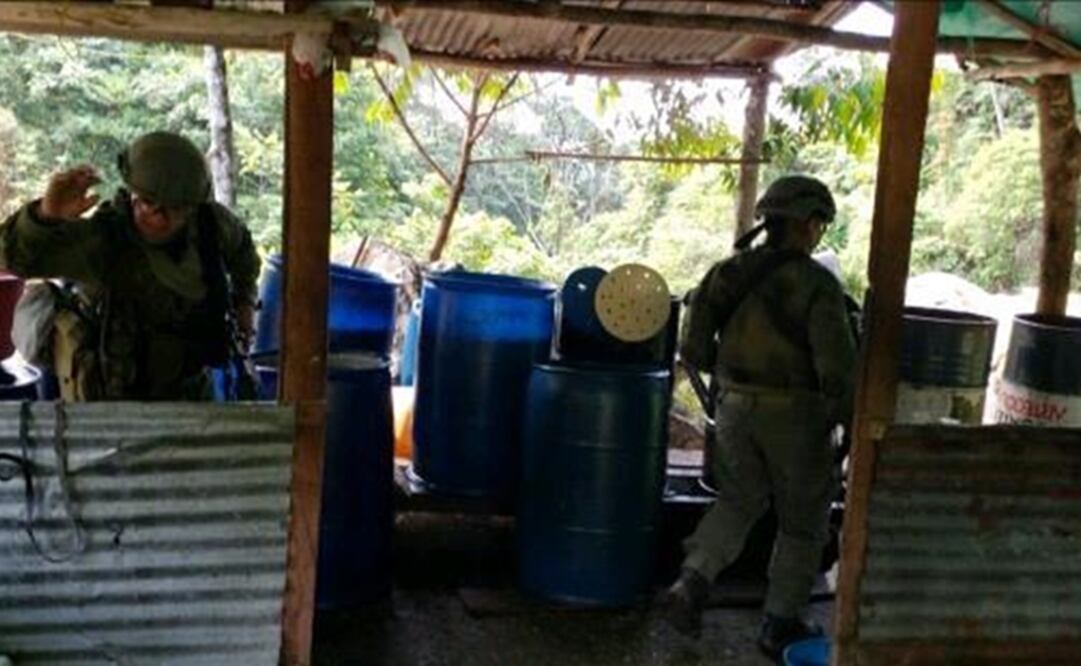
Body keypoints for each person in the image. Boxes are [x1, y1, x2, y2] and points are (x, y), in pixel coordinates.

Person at [662, 175, 857, 658]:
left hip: (732, 407)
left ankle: (691, 581)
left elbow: (692, 349)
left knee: (738, 501)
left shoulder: (726, 272)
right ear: (809, 224)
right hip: (795, 414)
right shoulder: (816, 284)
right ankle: (780, 622)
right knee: (803, 522)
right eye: (819, 224)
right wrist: (846, 423)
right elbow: (838, 370)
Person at [0, 131, 260, 400]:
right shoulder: (102, 241)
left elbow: (243, 255)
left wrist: (245, 303)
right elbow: (14, 260)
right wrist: (44, 217)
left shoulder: (212, 228)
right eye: (148, 203)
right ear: (132, 193)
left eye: (174, 209)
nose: (159, 218)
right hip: (108, 403)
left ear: (192, 206)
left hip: (188, 394)